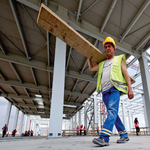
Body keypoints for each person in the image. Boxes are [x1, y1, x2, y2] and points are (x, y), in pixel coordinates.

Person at [88, 37, 134, 147]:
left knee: (112, 111)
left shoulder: (119, 59)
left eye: (109, 46)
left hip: (114, 89)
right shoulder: (102, 63)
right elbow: (91, 68)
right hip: (105, 92)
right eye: (106, 47)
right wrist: (89, 57)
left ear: (114, 48)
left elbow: (126, 73)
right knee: (113, 113)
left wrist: (130, 88)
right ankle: (124, 135)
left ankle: (104, 138)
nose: (107, 48)